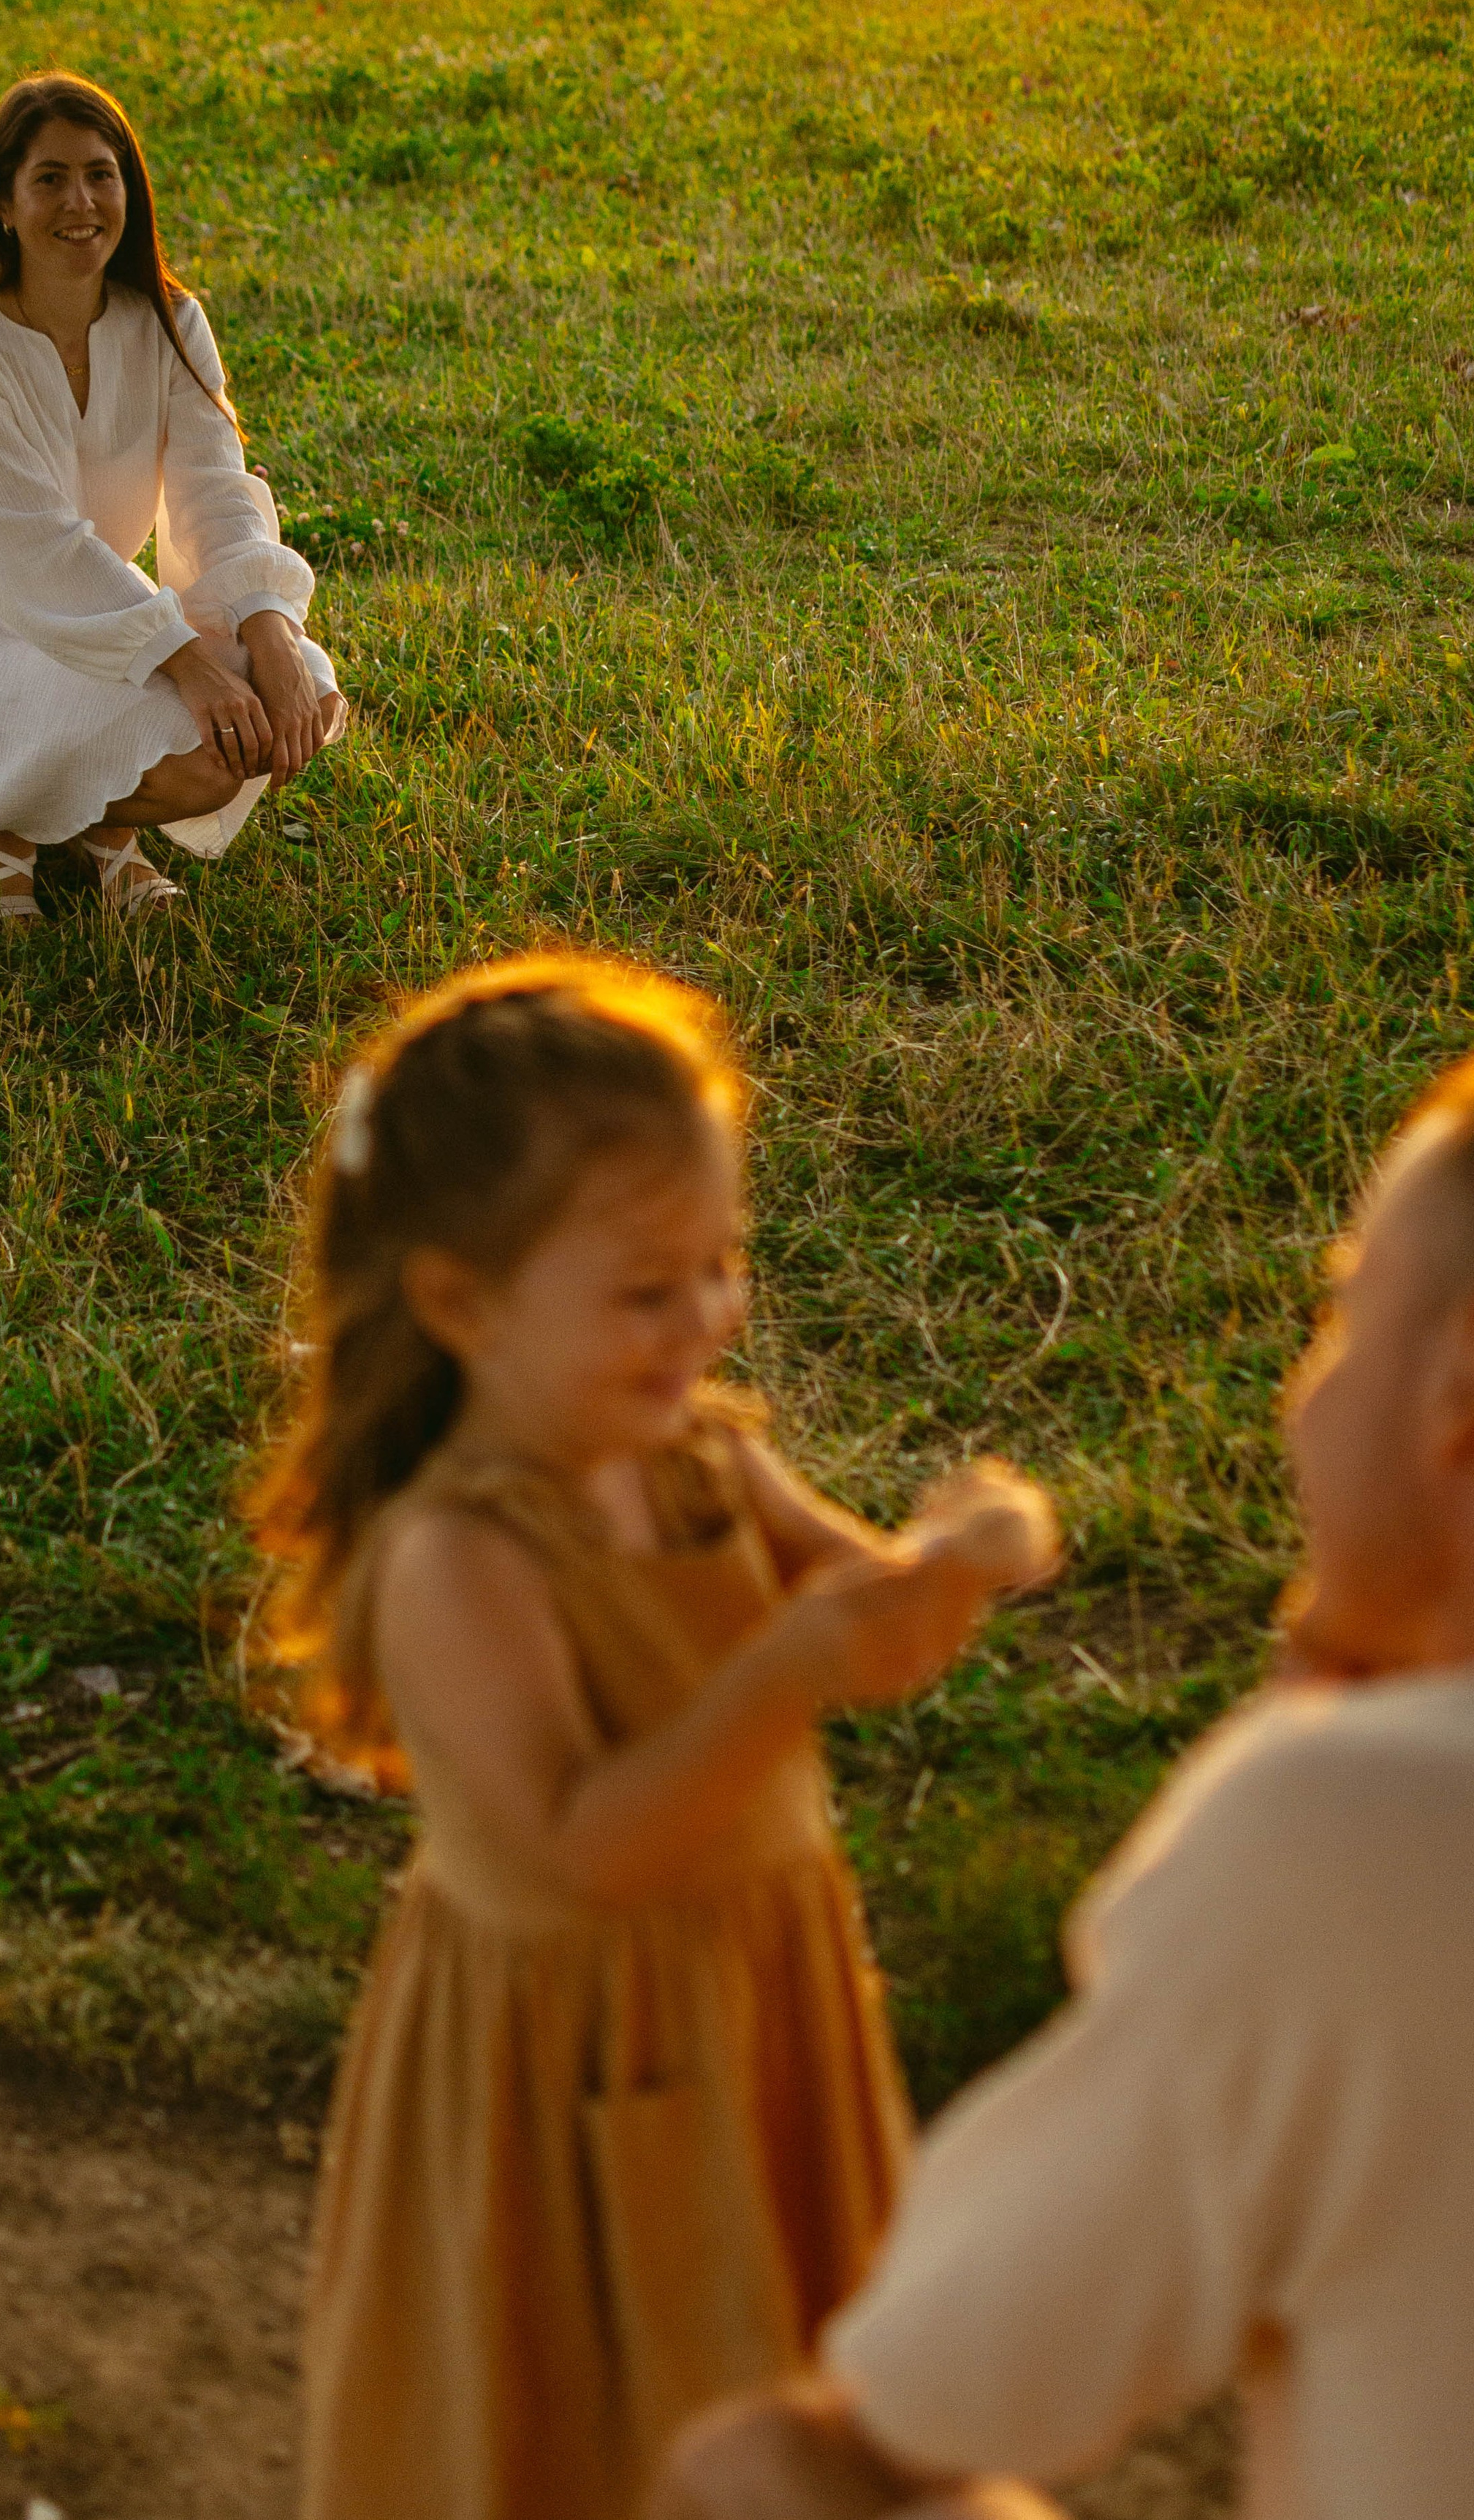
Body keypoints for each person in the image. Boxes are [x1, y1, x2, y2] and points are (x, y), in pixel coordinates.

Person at [650, 1029, 1474, 2520]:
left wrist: (1327, 1775)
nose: (1296, 1400)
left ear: (1470, 1369)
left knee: (757, 2476)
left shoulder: (1371, 1833)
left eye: (1340, 1313)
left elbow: (915, 2409)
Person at [243, 954, 1060, 2520]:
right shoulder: (459, 1558)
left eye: (719, 1264)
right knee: (600, 2426)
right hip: (573, 2056)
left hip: (752, 1990)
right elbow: (580, 1846)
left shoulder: (700, 1466)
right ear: (458, 1300)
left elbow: (868, 1632)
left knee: (775, 2394)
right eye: (644, 1288)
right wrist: (786, 1669)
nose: (703, 1318)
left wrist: (957, 1551)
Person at [0, 70, 346, 929]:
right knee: (208, 750)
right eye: (50, 178)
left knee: (307, 699)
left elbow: (215, 491)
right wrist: (184, 659)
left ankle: (97, 824)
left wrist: (268, 628)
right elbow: (28, 548)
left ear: (129, 191)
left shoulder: (171, 320)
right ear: (2, 200)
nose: (82, 202)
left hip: (112, 610)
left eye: (102, 174)